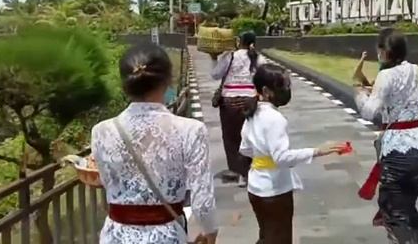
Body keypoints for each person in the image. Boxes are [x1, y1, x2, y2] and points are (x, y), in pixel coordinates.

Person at [91, 43, 218, 244]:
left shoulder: (101, 131)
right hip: (166, 235)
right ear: (168, 80)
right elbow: (202, 202)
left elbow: (108, 181)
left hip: (116, 236)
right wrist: (210, 233)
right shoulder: (191, 130)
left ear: (125, 84)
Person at [240, 64, 347, 244]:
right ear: (266, 91)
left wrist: (262, 157)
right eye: (283, 86)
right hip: (274, 190)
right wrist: (317, 151)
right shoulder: (275, 118)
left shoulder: (252, 112)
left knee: (267, 235)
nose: (287, 91)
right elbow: (281, 158)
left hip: (256, 186)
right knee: (279, 238)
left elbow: (245, 148)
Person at [354, 31, 418, 244]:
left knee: (395, 211)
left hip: (398, 152)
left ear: (384, 52)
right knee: (407, 208)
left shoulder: (386, 75)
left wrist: (359, 92)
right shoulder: (416, 70)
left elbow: (370, 112)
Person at [211, 31, 264, 185]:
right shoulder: (259, 58)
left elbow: (215, 75)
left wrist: (214, 58)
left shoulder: (229, 57)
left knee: (231, 137)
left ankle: (239, 172)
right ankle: (251, 170)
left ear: (239, 41)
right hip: (250, 101)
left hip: (229, 102)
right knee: (251, 136)